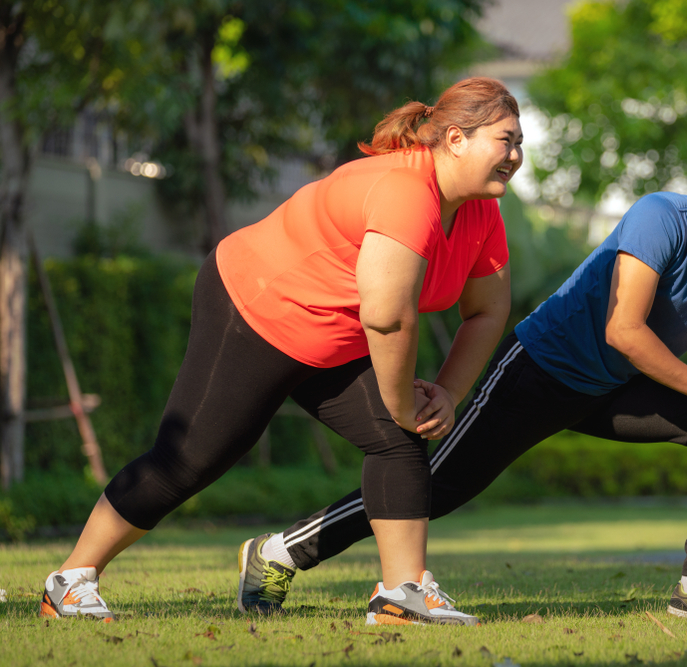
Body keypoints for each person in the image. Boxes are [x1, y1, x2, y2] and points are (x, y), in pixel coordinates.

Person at [237, 146, 687, 624]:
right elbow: (624, 330)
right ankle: (277, 553)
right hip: (541, 369)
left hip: (614, 389)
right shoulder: (661, 217)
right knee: (434, 489)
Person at [39, 77, 523, 627]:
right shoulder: (406, 190)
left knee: (400, 438)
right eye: (505, 140)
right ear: (456, 138)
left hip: (334, 335)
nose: (516, 155)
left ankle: (402, 594)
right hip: (255, 306)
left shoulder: (481, 214)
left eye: (519, 143)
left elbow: (486, 310)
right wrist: (400, 399)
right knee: (189, 461)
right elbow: (387, 316)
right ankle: (69, 582)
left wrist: (447, 393)